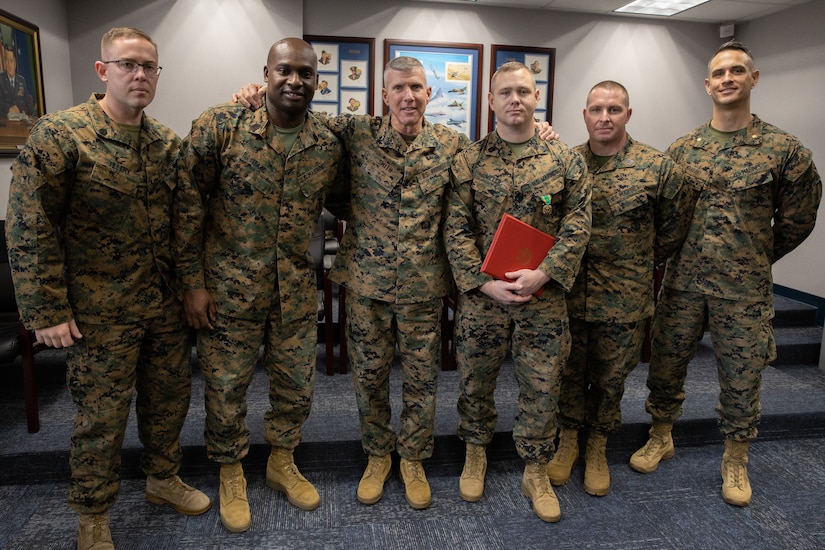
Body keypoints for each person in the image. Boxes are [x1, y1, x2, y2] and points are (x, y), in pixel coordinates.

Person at [233, 57, 555, 511]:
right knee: (369, 377)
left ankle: (414, 458)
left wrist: (542, 132)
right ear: (384, 95)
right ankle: (377, 455)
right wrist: (254, 95)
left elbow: (497, 161)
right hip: (366, 286)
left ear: (429, 94)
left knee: (423, 380)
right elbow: (296, 110)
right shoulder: (355, 133)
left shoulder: (452, 146)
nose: (408, 96)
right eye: (399, 88)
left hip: (424, 288)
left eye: (417, 88)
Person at [5, 27, 210, 550]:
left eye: (149, 67)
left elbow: (186, 223)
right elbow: (29, 224)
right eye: (127, 65)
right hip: (99, 313)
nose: (139, 75)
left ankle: (163, 480)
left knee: (169, 402)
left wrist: (192, 288)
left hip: (162, 306)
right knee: (101, 417)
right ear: (103, 71)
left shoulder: (166, 144)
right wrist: (46, 309)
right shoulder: (61, 135)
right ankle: (93, 513)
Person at [629, 41, 821, 507]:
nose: (728, 79)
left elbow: (799, 219)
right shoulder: (683, 149)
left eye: (737, 71)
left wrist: (753, 256)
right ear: (708, 84)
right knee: (666, 366)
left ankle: (735, 457)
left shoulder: (784, 151)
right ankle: (661, 435)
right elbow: (667, 215)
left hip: (743, 290)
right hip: (682, 283)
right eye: (719, 73)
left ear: (754, 79)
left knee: (742, 376)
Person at [174, 38, 344, 533]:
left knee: (296, 386)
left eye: (306, 74)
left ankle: (281, 461)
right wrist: (193, 283)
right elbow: (188, 206)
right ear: (265, 73)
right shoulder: (220, 126)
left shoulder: (328, 143)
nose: (295, 81)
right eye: (284, 70)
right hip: (228, 290)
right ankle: (230, 471)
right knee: (226, 388)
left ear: (318, 80)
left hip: (292, 288)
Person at [443, 61, 591, 522]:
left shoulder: (564, 160)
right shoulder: (467, 160)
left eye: (523, 92)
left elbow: (578, 225)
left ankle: (536, 468)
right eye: (505, 92)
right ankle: (475, 453)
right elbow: (455, 228)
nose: (515, 100)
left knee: (543, 386)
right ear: (490, 101)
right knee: (474, 381)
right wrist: (483, 283)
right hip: (482, 299)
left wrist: (545, 273)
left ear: (536, 98)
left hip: (542, 298)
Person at [545, 81, 694, 497]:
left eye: (613, 109)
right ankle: (569, 440)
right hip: (570, 294)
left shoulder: (657, 168)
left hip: (624, 300)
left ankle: (597, 445)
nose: (604, 117)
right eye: (596, 109)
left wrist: (636, 262)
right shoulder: (564, 163)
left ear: (628, 114)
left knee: (611, 380)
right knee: (568, 374)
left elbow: (672, 229)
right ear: (584, 115)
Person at [0, 41, 36, 117]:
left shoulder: (21, 80)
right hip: (5, 121)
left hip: (20, 119)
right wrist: (8, 108)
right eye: (6, 60)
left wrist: (33, 117)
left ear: (15, 63)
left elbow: (28, 102)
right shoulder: (1, 79)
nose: (8, 64)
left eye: (11, 61)